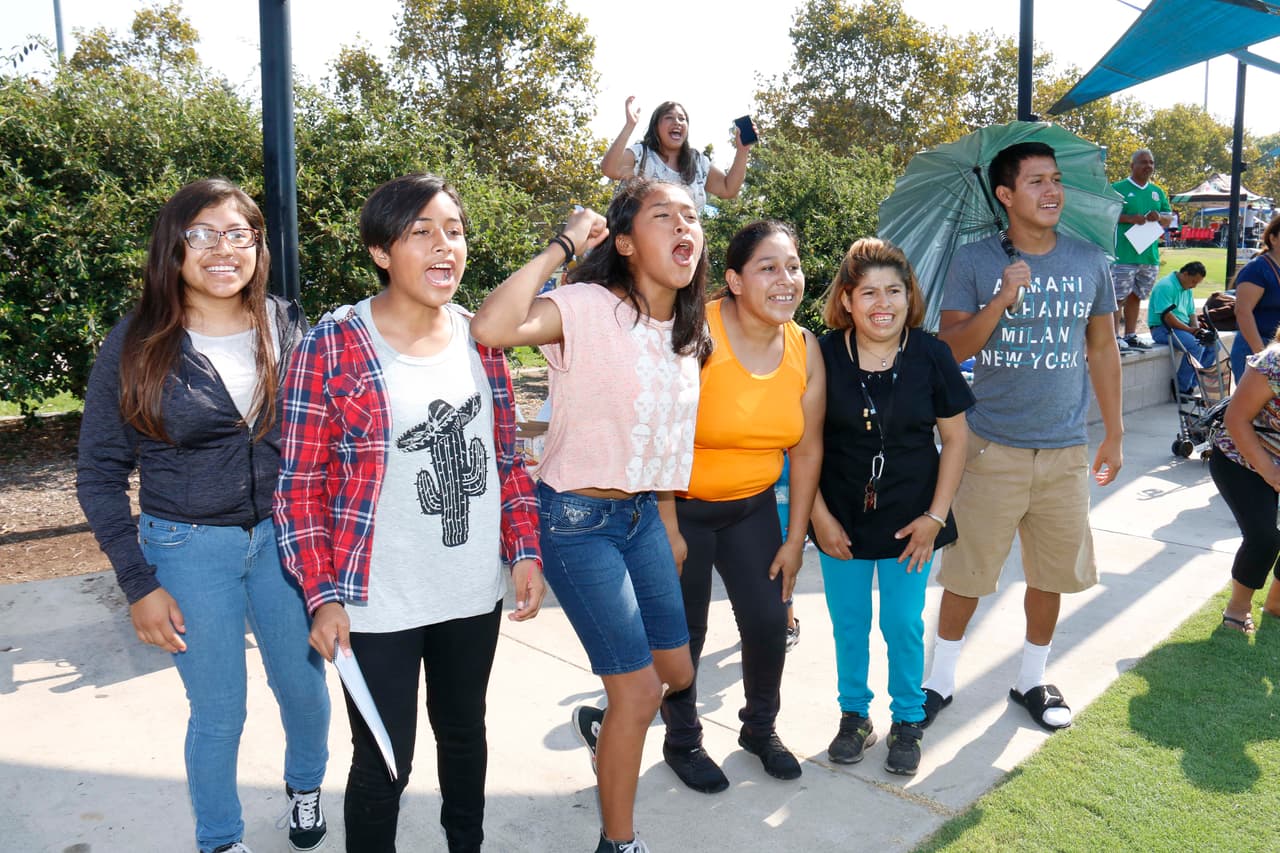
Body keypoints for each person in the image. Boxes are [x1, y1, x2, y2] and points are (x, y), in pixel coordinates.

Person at [273, 173, 545, 853]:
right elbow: (298, 485)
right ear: (380, 251)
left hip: (469, 591)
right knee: (385, 763)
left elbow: (505, 457)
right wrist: (321, 595)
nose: (443, 245)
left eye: (452, 230)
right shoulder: (332, 344)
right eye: (420, 231)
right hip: (374, 601)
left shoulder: (482, 338)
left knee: (463, 734)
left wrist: (524, 546)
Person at [76, 178, 330, 853]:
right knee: (219, 710)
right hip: (187, 548)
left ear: (257, 245)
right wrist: (139, 581)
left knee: (303, 686)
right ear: (174, 248)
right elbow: (99, 473)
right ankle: (220, 838)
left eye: (239, 234)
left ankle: (306, 787)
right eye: (204, 235)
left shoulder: (285, 322)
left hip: (283, 541)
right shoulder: (136, 343)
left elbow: (319, 441)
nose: (224, 249)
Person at [470, 178, 707, 853]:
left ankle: (608, 731)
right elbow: (491, 327)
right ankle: (619, 842)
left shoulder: (690, 332)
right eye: (664, 215)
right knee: (636, 692)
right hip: (576, 523)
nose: (683, 225)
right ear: (626, 242)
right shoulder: (584, 304)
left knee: (677, 672)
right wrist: (564, 244)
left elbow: (662, 437)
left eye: (691, 215)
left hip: (641, 519)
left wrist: (667, 520)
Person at [922, 141, 1124, 734]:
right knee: (967, 572)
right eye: (1036, 182)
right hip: (989, 447)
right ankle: (940, 679)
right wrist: (1000, 299)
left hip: (1064, 448)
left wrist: (1114, 432)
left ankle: (1032, 676)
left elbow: (1103, 348)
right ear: (1005, 195)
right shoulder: (975, 260)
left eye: (1056, 180)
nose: (1052, 191)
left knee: (1052, 572)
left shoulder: (1090, 260)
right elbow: (951, 348)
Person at [654, 220, 824, 794]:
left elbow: (807, 449)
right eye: (768, 268)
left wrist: (795, 537)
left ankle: (760, 729)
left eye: (793, 265)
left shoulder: (805, 345)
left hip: (752, 508)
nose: (786, 279)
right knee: (686, 635)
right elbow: (657, 435)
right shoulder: (693, 334)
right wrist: (669, 525)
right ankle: (682, 741)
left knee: (769, 621)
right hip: (681, 509)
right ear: (733, 279)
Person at [809, 238, 973, 776]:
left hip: (913, 524)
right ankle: (854, 716)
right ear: (848, 299)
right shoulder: (823, 354)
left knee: (903, 624)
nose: (884, 303)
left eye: (895, 291)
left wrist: (935, 518)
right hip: (839, 523)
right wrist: (818, 517)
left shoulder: (932, 355)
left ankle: (907, 719)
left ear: (910, 296)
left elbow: (957, 440)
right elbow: (801, 442)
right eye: (869, 292)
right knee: (849, 624)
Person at [1210, 331, 1280, 634]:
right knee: (1264, 538)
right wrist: (1271, 473)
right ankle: (1237, 609)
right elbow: (1235, 419)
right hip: (1240, 459)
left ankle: (1276, 604)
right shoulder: (1274, 362)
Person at [600, 97, 753, 212]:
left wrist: (742, 151)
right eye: (669, 118)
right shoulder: (642, 153)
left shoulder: (697, 162)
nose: (677, 122)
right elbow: (610, 169)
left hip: (683, 246)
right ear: (655, 127)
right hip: (639, 246)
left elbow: (728, 189)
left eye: (682, 119)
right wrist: (630, 125)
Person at [1111, 148, 1173, 351]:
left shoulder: (1157, 191)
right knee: (1118, 297)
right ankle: (1114, 337)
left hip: (1148, 254)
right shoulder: (1118, 188)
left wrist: (1160, 218)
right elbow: (1104, 215)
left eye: (1151, 162)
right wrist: (1129, 218)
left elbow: (1168, 218)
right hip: (1124, 254)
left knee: (1136, 295)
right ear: (1132, 166)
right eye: (1143, 162)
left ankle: (1130, 335)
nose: (1148, 166)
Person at [1147, 261, 1213, 396]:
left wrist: (1196, 329)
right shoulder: (1166, 286)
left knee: (1213, 345)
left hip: (1182, 328)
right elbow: (1168, 318)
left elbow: (1191, 313)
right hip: (1162, 328)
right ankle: (1181, 388)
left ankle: (1191, 385)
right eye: (1193, 281)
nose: (1194, 286)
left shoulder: (1186, 288)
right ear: (1185, 274)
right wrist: (1191, 331)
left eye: (1197, 283)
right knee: (1196, 346)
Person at [1230, 214, 1280, 380]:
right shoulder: (1257, 269)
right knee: (1258, 407)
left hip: (1274, 351)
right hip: (1256, 349)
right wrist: (1261, 355)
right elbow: (1243, 311)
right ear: (1273, 238)